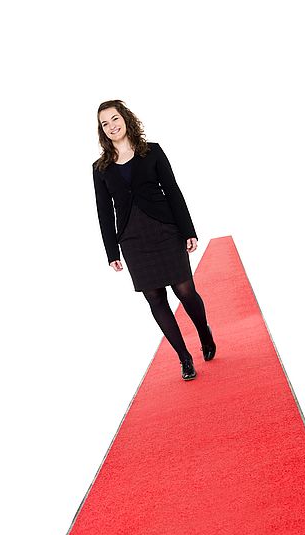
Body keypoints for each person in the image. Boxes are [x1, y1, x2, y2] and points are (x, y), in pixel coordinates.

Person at [92, 99, 216, 381]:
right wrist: (112, 250)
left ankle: (204, 331)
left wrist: (187, 230)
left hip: (165, 229)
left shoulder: (153, 152)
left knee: (185, 291)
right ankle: (184, 358)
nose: (111, 126)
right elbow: (103, 212)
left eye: (114, 118)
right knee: (155, 299)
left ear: (125, 118)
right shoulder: (100, 168)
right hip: (132, 239)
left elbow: (173, 191)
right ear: (101, 130)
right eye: (105, 123)